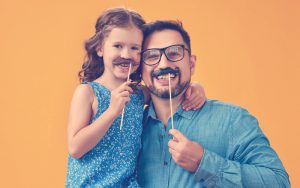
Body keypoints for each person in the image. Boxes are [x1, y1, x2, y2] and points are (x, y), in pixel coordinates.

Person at [137, 20, 290, 188]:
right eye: (151, 56)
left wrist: (203, 163)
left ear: (191, 64)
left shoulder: (233, 120)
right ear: (140, 69)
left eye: (174, 53)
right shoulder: (131, 127)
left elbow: (279, 182)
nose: (164, 64)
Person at [65, 8, 206, 187]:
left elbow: (164, 87)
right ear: (100, 48)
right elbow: (75, 148)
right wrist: (111, 112)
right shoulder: (88, 92)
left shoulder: (139, 94)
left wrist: (195, 86)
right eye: (118, 46)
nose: (126, 55)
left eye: (135, 48)